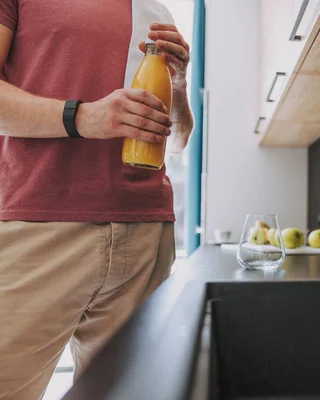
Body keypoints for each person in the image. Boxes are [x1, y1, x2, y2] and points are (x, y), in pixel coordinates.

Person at [0, 0, 193, 398]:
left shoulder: (156, 12)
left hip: (146, 233)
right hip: (39, 225)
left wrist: (177, 86)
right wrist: (83, 116)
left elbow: (178, 140)